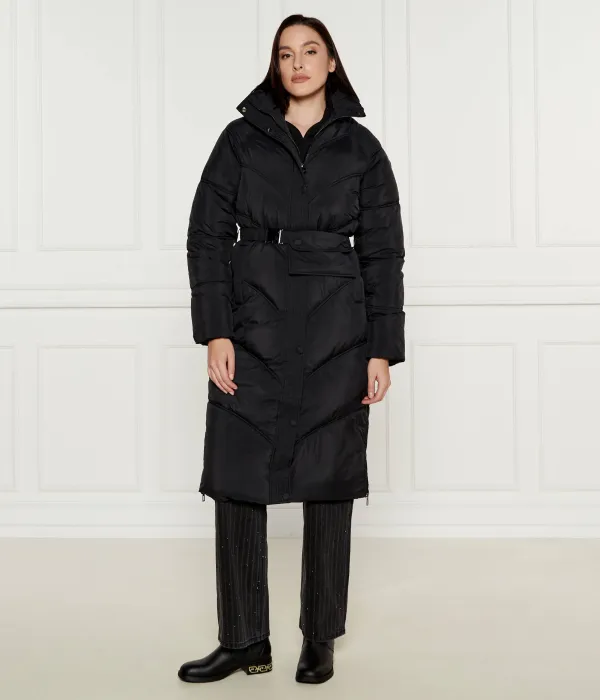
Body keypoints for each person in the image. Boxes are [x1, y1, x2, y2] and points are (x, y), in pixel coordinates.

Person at [178, 13, 405, 685]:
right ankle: (244, 640)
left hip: (338, 330)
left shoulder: (362, 150)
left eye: (310, 51)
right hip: (254, 324)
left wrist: (380, 349)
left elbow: (384, 253)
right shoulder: (239, 141)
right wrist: (217, 331)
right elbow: (207, 238)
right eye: (285, 53)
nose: (298, 62)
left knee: (330, 480)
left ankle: (320, 637)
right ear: (275, 65)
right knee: (236, 478)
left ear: (332, 62)